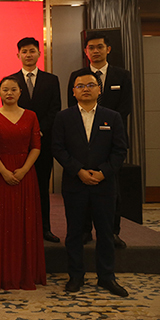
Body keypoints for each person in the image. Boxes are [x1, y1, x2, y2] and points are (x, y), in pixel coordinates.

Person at [53, 73, 129, 297]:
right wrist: (78, 170)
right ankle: (76, 276)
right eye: (80, 86)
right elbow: (58, 148)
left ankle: (107, 277)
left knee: (105, 232)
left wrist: (104, 172)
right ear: (73, 91)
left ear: (99, 90)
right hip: (75, 183)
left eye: (90, 85)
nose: (85, 89)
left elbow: (120, 149)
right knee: (75, 232)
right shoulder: (63, 117)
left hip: (104, 185)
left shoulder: (112, 117)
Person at [0, 76, 46, 291]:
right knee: (0, 223)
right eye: (5, 89)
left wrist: (24, 170)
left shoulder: (31, 116)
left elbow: (36, 146)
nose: (9, 93)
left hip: (25, 174)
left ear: (20, 92)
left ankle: (24, 273)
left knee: (24, 221)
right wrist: (4, 171)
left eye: (13, 89)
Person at [66, 32, 132, 249]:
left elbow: (125, 107)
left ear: (108, 49)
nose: (95, 51)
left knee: (113, 190)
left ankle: (112, 231)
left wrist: (107, 128)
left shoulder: (122, 75)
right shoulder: (78, 76)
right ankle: (85, 230)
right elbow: (72, 109)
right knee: (82, 189)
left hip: (111, 141)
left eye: (99, 47)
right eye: (91, 48)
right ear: (85, 52)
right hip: (82, 142)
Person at [10, 37, 62, 243]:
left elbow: (55, 109)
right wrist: (24, 132)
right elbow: (9, 110)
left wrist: (38, 130)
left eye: (32, 51)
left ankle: (44, 228)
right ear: (18, 55)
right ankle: (19, 229)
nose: (28, 55)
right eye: (24, 51)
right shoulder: (12, 81)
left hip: (43, 142)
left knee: (41, 186)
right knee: (18, 187)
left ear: (39, 53)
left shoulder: (51, 80)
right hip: (17, 144)